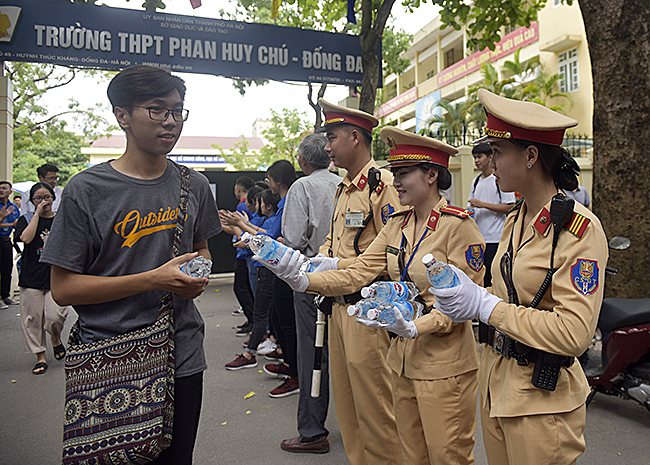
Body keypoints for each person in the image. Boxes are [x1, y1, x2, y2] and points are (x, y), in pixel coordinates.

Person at [266, 127, 485, 465]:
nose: (395, 182)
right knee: (411, 454)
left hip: (444, 362)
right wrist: (304, 278)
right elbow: (359, 271)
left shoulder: (459, 227)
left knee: (448, 455)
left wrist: (418, 326)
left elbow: (462, 304)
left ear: (431, 175)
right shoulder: (397, 224)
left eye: (404, 173)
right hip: (404, 357)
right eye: (394, 173)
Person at [40, 65, 222, 465]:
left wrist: (197, 276)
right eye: (157, 110)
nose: (171, 121)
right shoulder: (86, 190)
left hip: (181, 353)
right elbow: (64, 288)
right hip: (109, 356)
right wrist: (152, 279)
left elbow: (202, 252)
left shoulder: (193, 185)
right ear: (122, 115)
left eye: (177, 111)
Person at [430, 89, 608, 465]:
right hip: (499, 386)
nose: (489, 162)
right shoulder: (516, 218)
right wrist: (465, 297)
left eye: (496, 151)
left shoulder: (578, 230)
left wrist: (485, 306)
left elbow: (573, 333)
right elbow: (499, 295)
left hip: (543, 403)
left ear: (530, 156)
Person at [275, 99, 403, 464]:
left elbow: (391, 253)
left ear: (355, 137)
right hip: (338, 308)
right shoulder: (344, 187)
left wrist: (334, 265)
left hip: (368, 310)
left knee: (378, 411)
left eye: (332, 137)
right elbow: (333, 241)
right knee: (350, 413)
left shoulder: (384, 186)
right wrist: (319, 262)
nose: (327, 146)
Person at [277, 133, 341, 454]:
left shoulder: (301, 188)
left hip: (311, 279)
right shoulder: (343, 183)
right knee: (346, 352)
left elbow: (291, 238)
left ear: (302, 160)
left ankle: (312, 431)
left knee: (312, 354)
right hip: (346, 276)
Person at [15, 182, 68, 375]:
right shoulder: (25, 220)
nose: (43, 201)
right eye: (38, 198)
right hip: (31, 276)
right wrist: (37, 214)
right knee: (32, 319)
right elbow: (26, 239)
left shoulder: (62, 220)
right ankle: (40, 356)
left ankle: (55, 338)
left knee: (55, 316)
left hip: (56, 276)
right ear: (32, 201)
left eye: (47, 197)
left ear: (54, 198)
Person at [467, 143, 517, 286]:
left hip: (496, 238)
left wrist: (484, 205)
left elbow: (511, 206)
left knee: (496, 277)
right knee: (482, 277)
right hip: (479, 239)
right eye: (474, 157)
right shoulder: (475, 181)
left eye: (479, 157)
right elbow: (471, 207)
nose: (476, 161)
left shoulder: (499, 180)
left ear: (490, 157)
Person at [220, 176, 255, 332]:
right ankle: (254, 321)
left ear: (238, 189)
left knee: (242, 287)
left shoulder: (242, 206)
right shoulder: (245, 206)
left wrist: (222, 224)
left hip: (245, 251)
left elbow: (240, 230)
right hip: (246, 250)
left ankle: (254, 321)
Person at [0, 181, 20, 309]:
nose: (1, 190)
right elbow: (12, 224)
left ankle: (6, 296)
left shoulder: (14, 207)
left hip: (7, 241)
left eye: (4, 188)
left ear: (10, 191)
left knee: (7, 269)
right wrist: (3, 218)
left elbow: (17, 224)